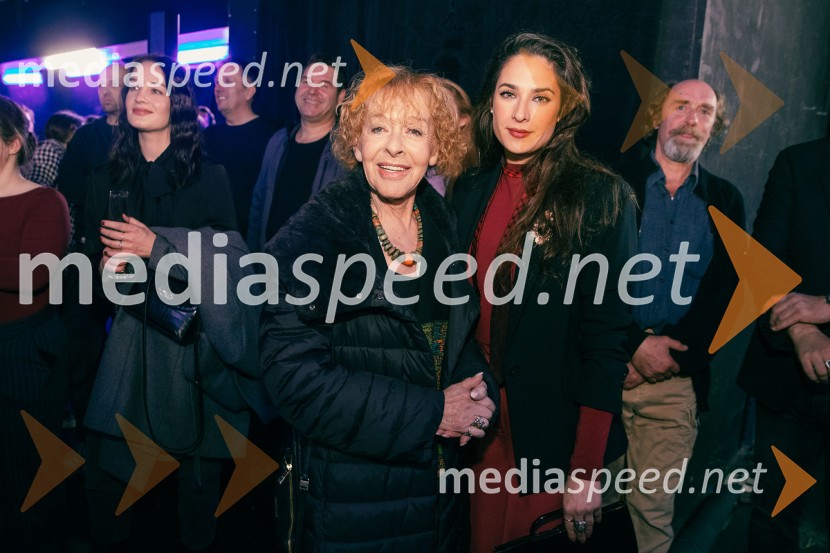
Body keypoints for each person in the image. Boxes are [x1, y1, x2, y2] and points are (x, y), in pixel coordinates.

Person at [259, 66, 498, 552]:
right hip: (349, 502)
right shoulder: (312, 236)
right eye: (379, 128)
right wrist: (433, 413)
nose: (394, 146)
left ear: (436, 149)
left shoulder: (446, 225)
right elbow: (292, 379)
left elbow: (456, 338)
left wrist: (479, 393)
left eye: (414, 131)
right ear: (357, 143)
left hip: (438, 499)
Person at [452, 32, 637, 550]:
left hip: (553, 436)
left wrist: (585, 471)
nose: (521, 112)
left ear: (565, 109)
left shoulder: (601, 197)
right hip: (480, 428)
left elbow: (606, 342)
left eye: (541, 97)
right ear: (490, 99)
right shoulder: (468, 188)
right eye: (509, 93)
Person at [82, 55, 259, 551]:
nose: (140, 94)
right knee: (106, 488)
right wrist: (99, 272)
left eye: (156, 89)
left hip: (191, 354)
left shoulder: (210, 176)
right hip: (127, 348)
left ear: (178, 102)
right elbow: (92, 277)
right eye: (133, 84)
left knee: (195, 500)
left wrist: (155, 247)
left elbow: (232, 269)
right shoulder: (105, 178)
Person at [616, 80, 745, 553]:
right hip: (602, 369)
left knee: (651, 517)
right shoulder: (611, 182)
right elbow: (583, 278)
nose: (693, 119)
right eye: (682, 106)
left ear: (715, 127)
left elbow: (723, 296)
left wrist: (667, 358)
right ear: (656, 116)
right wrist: (630, 346)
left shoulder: (725, 201)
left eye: (706, 112)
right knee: (588, 510)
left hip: (673, 384)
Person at [738, 136, 830, 553]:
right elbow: (762, 263)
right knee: (773, 517)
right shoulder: (797, 162)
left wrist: (825, 307)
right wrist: (802, 332)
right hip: (788, 384)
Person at [0, 95, 71, 551]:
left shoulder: (46, 201)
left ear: (10, 143)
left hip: (21, 351)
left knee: (22, 476)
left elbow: (33, 273)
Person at [247, 55, 346, 252]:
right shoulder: (278, 141)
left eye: (324, 84)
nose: (312, 90)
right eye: (306, 81)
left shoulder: (346, 153)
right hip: (267, 268)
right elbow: (257, 209)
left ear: (341, 97)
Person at [203, 58, 278, 235]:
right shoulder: (207, 136)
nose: (218, 88)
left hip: (255, 244)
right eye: (217, 82)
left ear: (249, 91)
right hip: (210, 243)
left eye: (227, 81)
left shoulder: (273, 135)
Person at [25, 110, 84, 187]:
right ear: (72, 128)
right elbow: (38, 185)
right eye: (80, 129)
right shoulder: (50, 149)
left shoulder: (61, 151)